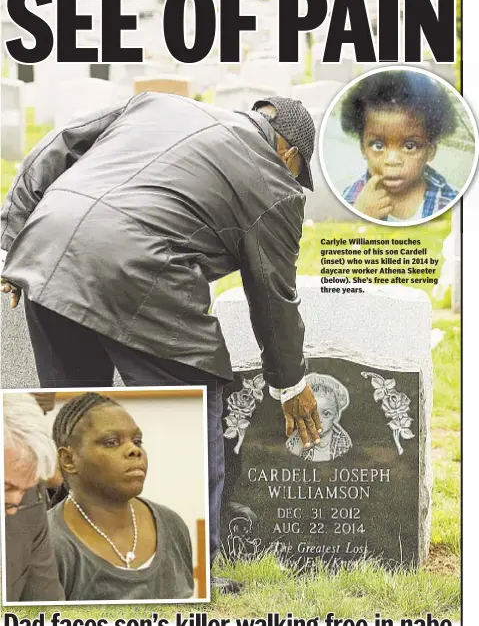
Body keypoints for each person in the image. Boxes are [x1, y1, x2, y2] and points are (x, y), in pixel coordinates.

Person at [0, 92, 322, 592]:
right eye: (299, 172)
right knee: (196, 405)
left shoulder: (158, 105)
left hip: (48, 252)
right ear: (288, 153)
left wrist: (11, 238)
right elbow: (273, 298)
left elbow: (58, 145)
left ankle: (66, 564)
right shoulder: (275, 183)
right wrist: (289, 382)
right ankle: (195, 571)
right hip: (140, 272)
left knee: (74, 419)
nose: (295, 183)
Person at [48, 392, 194, 601]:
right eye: (111, 442)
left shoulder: (172, 524)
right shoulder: (48, 545)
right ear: (69, 459)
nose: (134, 450)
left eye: (137, 441)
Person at [340, 70, 458, 221]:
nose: (392, 160)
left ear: (430, 150)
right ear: (363, 148)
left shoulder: (452, 202)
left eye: (410, 146)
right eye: (378, 146)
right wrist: (360, 217)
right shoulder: (351, 199)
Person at [3, 393, 65, 602]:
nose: (13, 507)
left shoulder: (27, 500)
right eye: (5, 487)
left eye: (24, 489)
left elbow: (47, 607)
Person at [286, 373, 352, 462]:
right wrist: (298, 448)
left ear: (336, 415)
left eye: (326, 413)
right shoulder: (295, 441)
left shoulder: (343, 445)